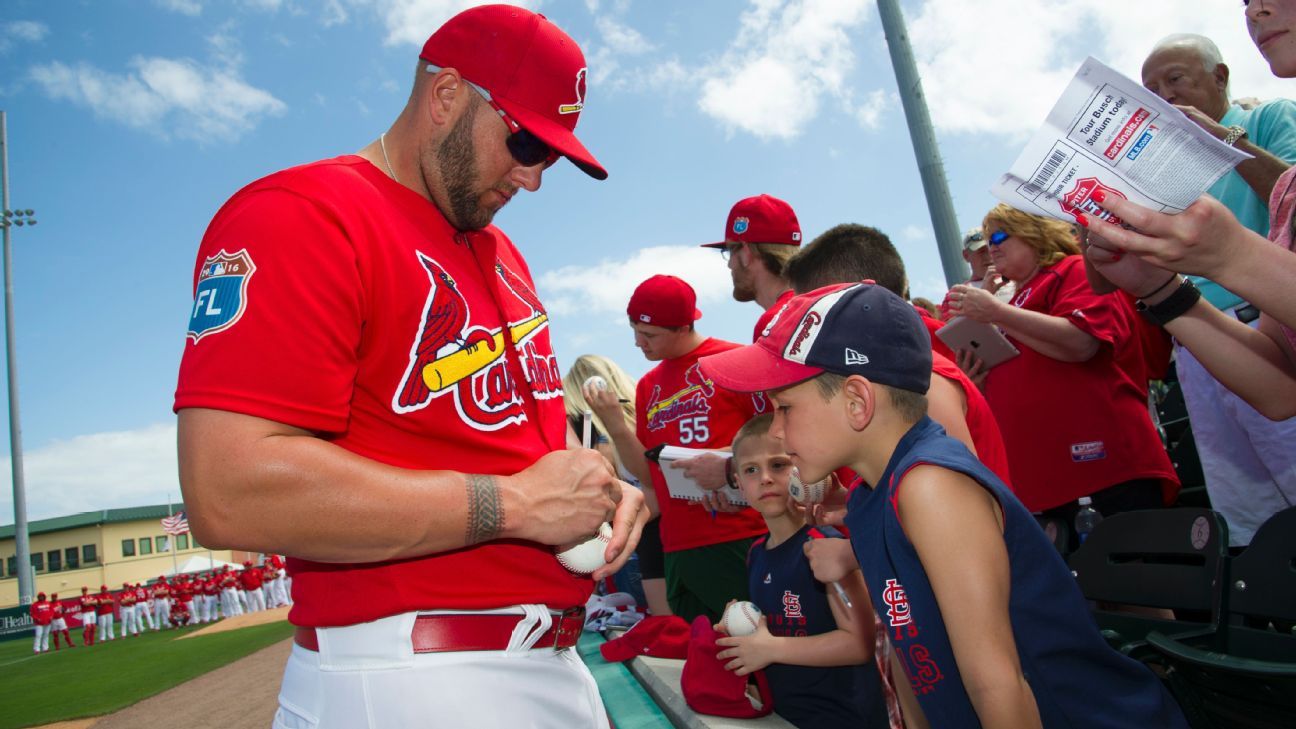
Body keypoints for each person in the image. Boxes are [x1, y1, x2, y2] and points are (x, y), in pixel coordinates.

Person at [174, 7, 644, 727]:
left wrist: (600, 492)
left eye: (550, 155)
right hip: (412, 676)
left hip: (545, 658)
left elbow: (515, 454)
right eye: (522, 140)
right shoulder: (301, 213)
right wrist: (515, 506)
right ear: (446, 95)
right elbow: (230, 490)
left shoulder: (497, 250)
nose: (533, 176)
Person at [697, 281, 1189, 728]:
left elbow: (998, 683)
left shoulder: (930, 484)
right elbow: (914, 662)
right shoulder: (872, 498)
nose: (777, 432)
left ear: (856, 401)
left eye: (785, 408)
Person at [1119, 31, 1296, 547]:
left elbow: (1289, 193)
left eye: (1175, 79)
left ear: (1219, 77)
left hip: (1264, 312)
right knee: (1245, 517)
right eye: (1150, 90)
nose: (1164, 96)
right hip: (1206, 340)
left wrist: (1225, 143)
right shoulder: (1155, 171)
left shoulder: (1267, 118)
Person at [949, 206, 1178, 545]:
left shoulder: (1073, 270)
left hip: (1102, 468)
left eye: (1000, 235)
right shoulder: (1017, 299)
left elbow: (1082, 343)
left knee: (1140, 588)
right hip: (1046, 481)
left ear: (1034, 232)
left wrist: (997, 311)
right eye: (987, 239)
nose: (992, 246)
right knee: (1091, 595)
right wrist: (978, 379)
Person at [784, 223, 1013, 489]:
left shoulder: (921, 380)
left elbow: (960, 503)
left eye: (813, 312)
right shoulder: (892, 372)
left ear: (853, 305)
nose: (807, 325)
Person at [714, 414, 888, 729]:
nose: (765, 478)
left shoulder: (824, 545)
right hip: (785, 717)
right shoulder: (755, 554)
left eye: (778, 465)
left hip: (844, 719)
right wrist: (745, 629)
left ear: (801, 468)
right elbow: (778, 630)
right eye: (752, 470)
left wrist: (770, 648)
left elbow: (860, 643)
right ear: (739, 483)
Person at [626, 274, 767, 622]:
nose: (638, 343)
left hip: (742, 534)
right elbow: (649, 473)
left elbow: (778, 438)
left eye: (649, 334)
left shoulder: (738, 360)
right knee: (704, 656)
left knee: (760, 651)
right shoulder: (647, 386)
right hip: (677, 544)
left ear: (682, 328)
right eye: (634, 330)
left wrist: (728, 467)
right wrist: (615, 423)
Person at [565, 354, 672, 618]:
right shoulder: (649, 409)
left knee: (662, 633)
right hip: (653, 538)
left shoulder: (596, 427)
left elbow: (653, 487)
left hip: (635, 540)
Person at [699, 194, 803, 341]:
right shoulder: (821, 305)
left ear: (746, 253)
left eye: (729, 251)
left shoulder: (775, 323)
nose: (729, 265)